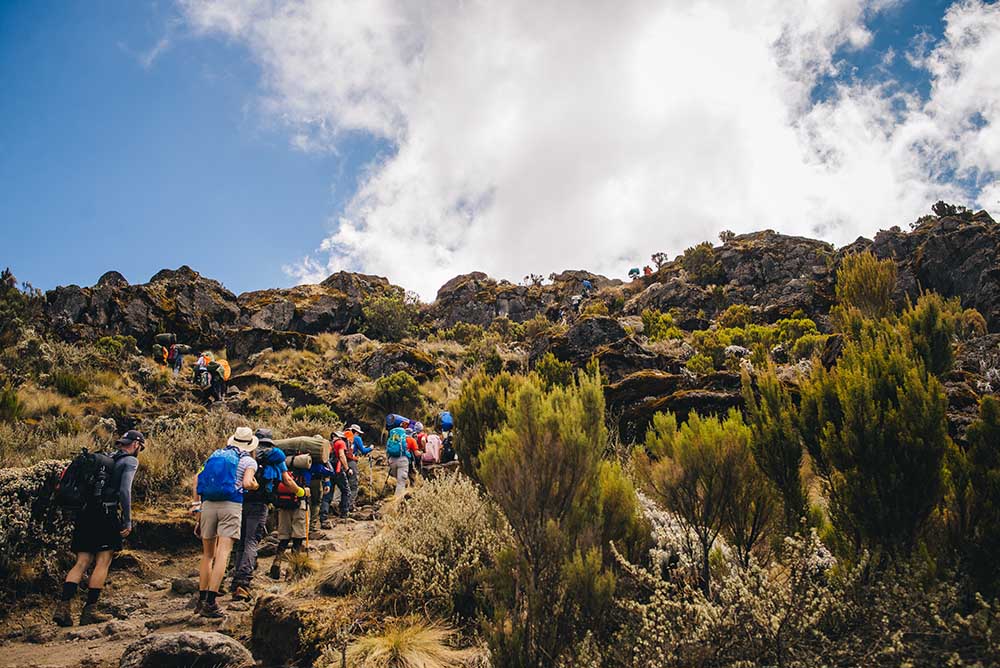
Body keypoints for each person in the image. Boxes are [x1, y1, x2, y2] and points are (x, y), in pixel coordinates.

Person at [53, 430, 144, 627]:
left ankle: (63, 607)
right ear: (136, 444)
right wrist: (127, 520)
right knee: (104, 559)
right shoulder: (129, 462)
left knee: (82, 561)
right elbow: (124, 491)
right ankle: (89, 611)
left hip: (85, 513)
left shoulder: (106, 458)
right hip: (106, 513)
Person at [191, 427, 259, 618]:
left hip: (208, 505)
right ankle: (212, 602)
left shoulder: (215, 455)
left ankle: (201, 600)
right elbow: (247, 483)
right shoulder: (248, 460)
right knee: (224, 552)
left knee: (207, 555)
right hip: (231, 505)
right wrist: (254, 484)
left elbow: (196, 479)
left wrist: (197, 507)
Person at [229, 428, 302, 601]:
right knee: (251, 541)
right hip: (260, 503)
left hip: (238, 501)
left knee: (240, 541)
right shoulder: (275, 457)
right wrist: (300, 492)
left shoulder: (243, 454)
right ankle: (243, 582)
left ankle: (235, 580)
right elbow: (287, 480)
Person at [269, 454, 310, 580]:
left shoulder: (281, 465)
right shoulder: (305, 467)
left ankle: (277, 561)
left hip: (283, 504)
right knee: (298, 537)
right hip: (299, 503)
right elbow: (308, 483)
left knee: (284, 537)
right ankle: (291, 569)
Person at [345, 424, 371, 511]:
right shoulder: (356, 438)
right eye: (358, 433)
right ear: (355, 432)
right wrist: (370, 448)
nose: (359, 435)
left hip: (341, 463)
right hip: (351, 463)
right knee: (353, 485)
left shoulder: (343, 436)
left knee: (344, 484)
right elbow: (363, 451)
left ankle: (339, 505)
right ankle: (349, 506)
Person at [328, 431, 352, 521]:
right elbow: (342, 456)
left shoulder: (329, 444)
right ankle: (344, 513)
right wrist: (347, 469)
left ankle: (324, 515)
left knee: (328, 493)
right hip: (338, 470)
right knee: (346, 491)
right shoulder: (340, 443)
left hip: (329, 471)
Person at [386, 426, 410, 497]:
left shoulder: (390, 440)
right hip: (402, 461)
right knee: (401, 482)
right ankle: (397, 499)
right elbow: (406, 451)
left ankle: (395, 493)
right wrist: (409, 456)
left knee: (397, 479)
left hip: (392, 461)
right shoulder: (404, 439)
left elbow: (387, 452)